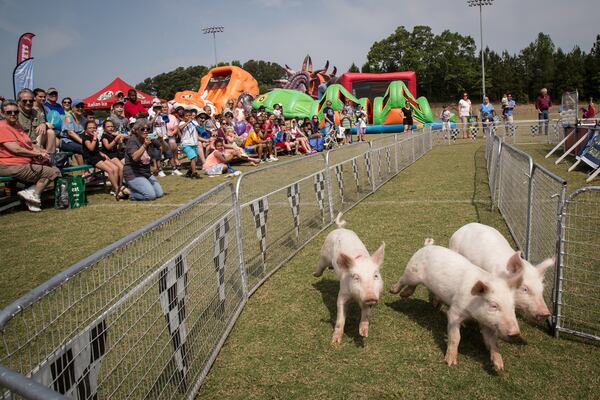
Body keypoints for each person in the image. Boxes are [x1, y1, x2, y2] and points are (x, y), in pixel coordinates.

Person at [0, 100, 60, 212]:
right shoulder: (2, 127)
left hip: (23, 162)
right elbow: (16, 149)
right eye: (9, 112)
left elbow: (28, 144)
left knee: (54, 168)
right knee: (51, 172)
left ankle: (30, 194)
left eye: (15, 112)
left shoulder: (17, 125)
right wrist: (37, 153)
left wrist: (42, 151)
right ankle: (34, 195)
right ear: (2, 113)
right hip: (9, 165)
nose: (13, 114)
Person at [82, 120, 125, 198]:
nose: (92, 129)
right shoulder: (86, 138)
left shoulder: (93, 136)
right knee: (110, 170)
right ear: (86, 129)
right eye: (90, 128)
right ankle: (117, 189)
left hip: (98, 155)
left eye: (94, 128)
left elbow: (96, 149)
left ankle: (115, 188)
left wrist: (103, 154)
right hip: (91, 158)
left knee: (115, 168)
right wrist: (95, 138)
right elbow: (91, 149)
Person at [122, 120, 163, 200]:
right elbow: (135, 157)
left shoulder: (149, 138)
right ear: (136, 130)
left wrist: (162, 140)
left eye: (148, 129)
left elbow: (165, 148)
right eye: (142, 129)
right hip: (133, 173)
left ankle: (136, 189)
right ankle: (128, 192)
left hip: (145, 172)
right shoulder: (132, 141)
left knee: (159, 194)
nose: (145, 131)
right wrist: (145, 145)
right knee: (150, 196)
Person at [17, 89, 56, 153]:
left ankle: (50, 157)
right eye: (24, 101)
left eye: (31, 101)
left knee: (50, 132)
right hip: (22, 143)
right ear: (18, 102)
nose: (28, 103)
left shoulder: (36, 112)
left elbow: (43, 122)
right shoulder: (14, 114)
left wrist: (43, 124)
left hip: (35, 140)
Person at [179, 109, 203, 178]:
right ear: (183, 117)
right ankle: (194, 173)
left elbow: (198, 129)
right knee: (193, 157)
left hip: (194, 143)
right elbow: (179, 128)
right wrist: (187, 122)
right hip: (186, 144)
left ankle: (190, 171)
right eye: (186, 116)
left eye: (189, 115)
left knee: (194, 160)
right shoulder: (181, 123)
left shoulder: (194, 122)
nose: (188, 117)